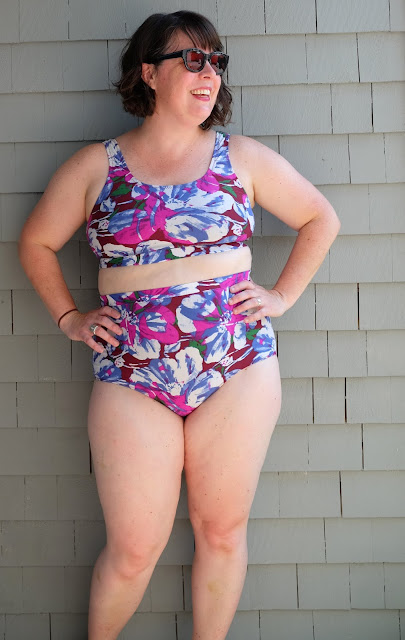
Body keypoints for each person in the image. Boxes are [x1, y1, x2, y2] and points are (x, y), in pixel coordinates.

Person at [19, 10, 340, 640]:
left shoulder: (239, 157)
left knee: (221, 531)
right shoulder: (97, 166)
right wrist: (69, 317)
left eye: (216, 62)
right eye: (192, 59)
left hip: (236, 365)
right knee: (134, 549)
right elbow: (36, 243)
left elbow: (319, 218)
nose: (208, 73)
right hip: (133, 372)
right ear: (149, 73)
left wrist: (281, 295)